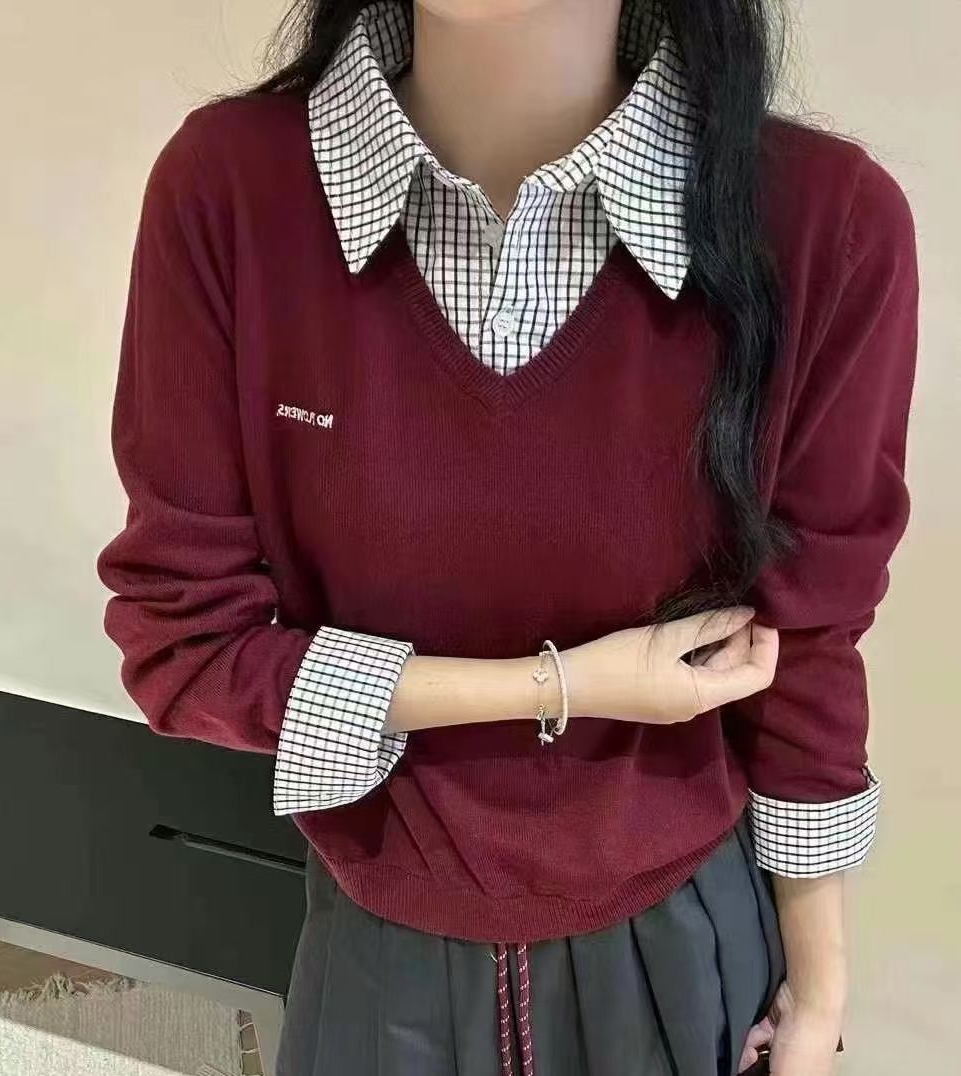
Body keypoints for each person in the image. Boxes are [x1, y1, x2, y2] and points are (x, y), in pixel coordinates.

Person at [95, 1, 920, 1073]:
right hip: (374, 947)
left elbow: (806, 638)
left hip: (681, 946)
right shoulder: (233, 191)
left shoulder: (822, 222)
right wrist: (562, 685)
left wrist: (819, 996)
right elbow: (182, 642)